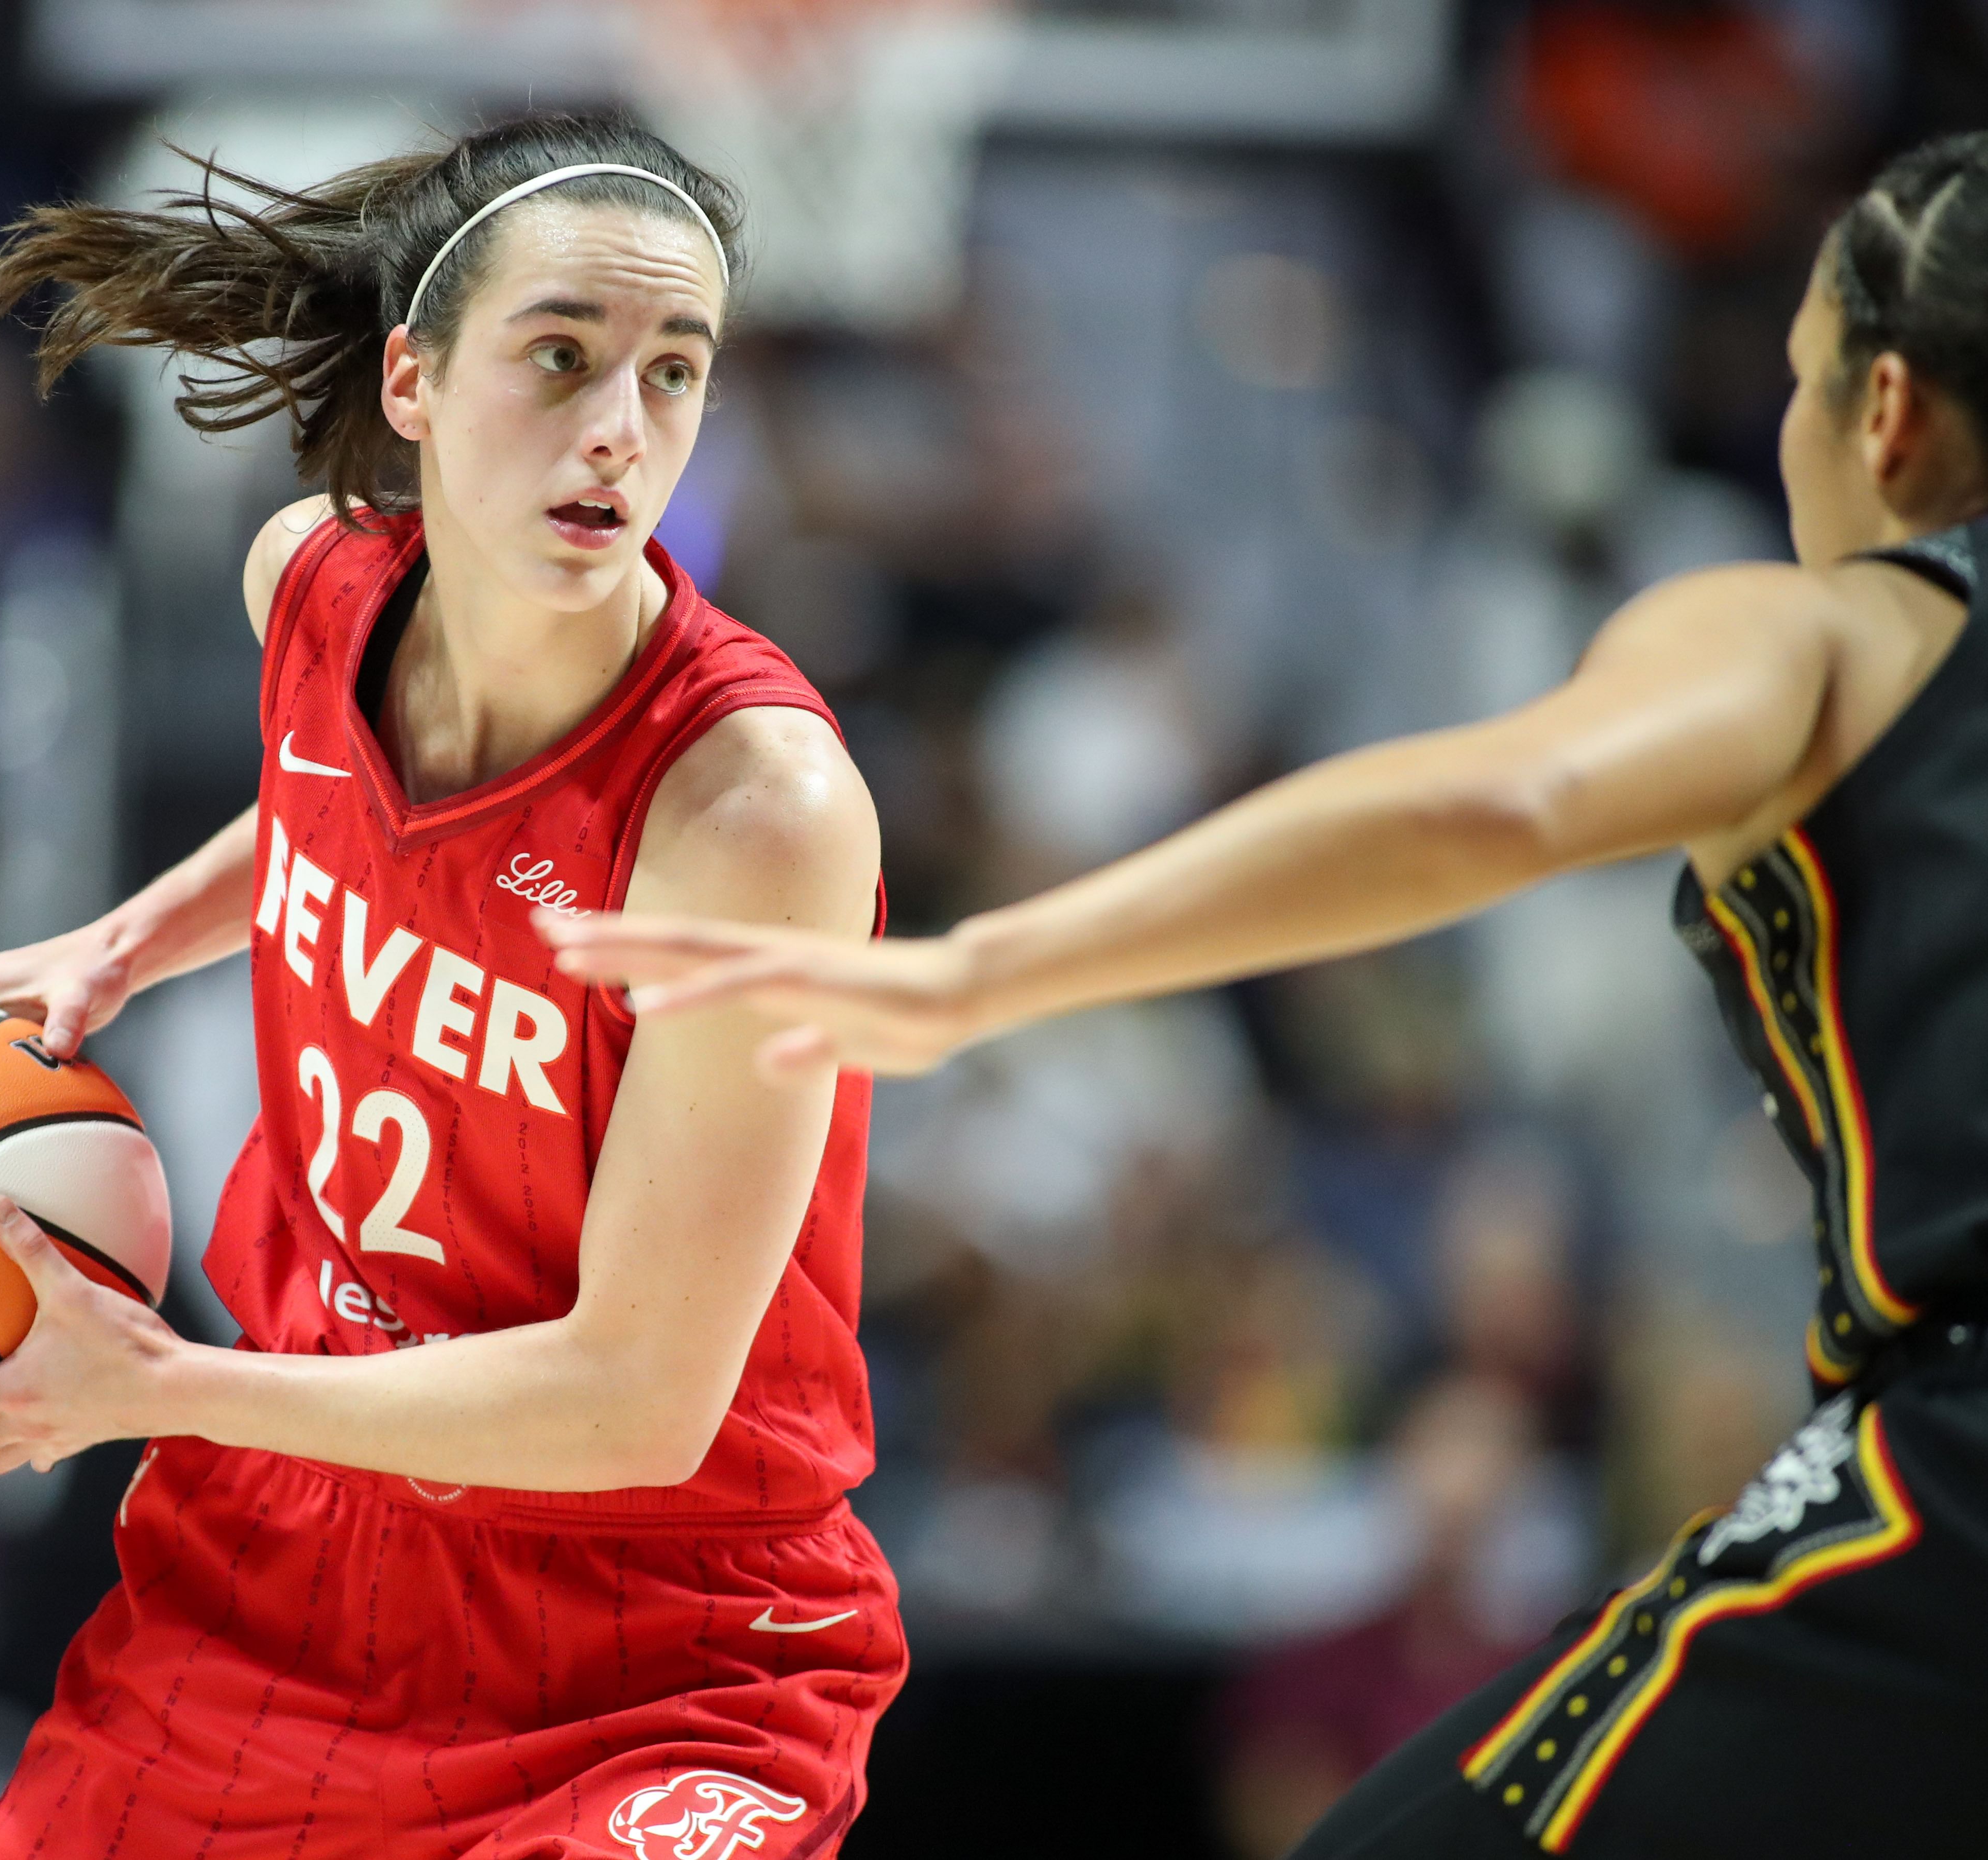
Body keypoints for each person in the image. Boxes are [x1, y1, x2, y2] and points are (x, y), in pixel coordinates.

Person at [546, 133, 1988, 1858]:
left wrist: (977, 964)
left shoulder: (1839, 627)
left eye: (1798, 387)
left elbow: (1503, 798)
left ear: (1884, 412)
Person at [0, 115, 901, 1857]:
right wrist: (123, 938)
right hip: (299, 1552)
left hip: (653, 1625)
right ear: (414, 382)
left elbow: (637, 1399)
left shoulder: (751, 810)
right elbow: (343, 806)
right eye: (560, 355)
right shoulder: (305, 584)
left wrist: (154, 1385)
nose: (621, 427)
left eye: (674, 373)